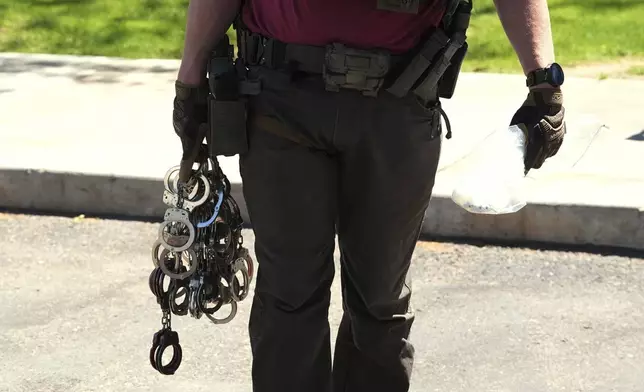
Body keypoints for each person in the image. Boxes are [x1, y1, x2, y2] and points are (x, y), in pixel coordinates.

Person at [171, 0, 566, 391]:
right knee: (288, 295)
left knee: (380, 301)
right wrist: (190, 78)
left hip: (400, 101)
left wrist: (545, 83)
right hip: (279, 99)